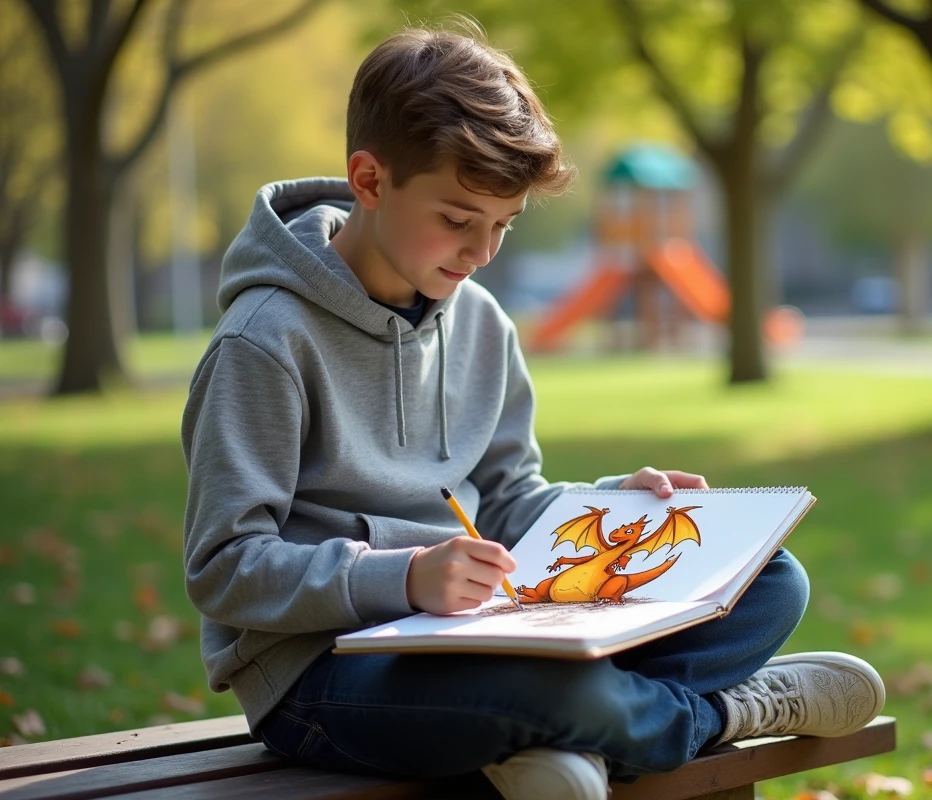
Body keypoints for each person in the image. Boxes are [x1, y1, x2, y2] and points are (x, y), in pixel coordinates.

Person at [180, 24, 885, 800]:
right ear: (370, 181)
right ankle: (720, 715)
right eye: (457, 219)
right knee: (550, 694)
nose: (481, 252)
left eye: (502, 226)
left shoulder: (479, 320)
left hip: (479, 633)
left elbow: (511, 498)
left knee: (770, 582)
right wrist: (405, 578)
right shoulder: (264, 342)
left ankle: (570, 739)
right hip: (321, 674)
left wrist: (614, 504)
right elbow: (224, 569)